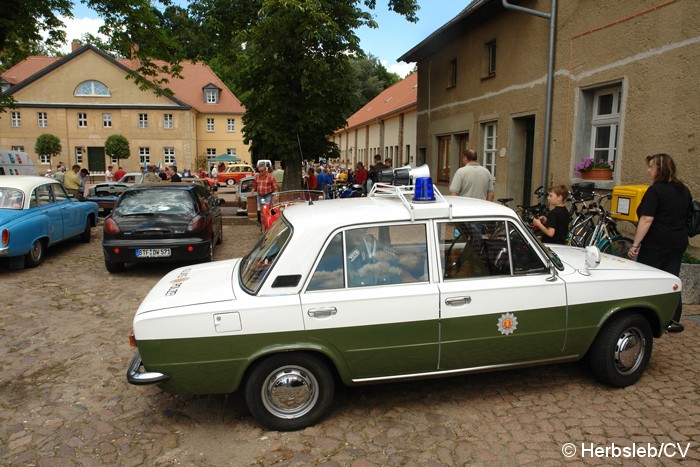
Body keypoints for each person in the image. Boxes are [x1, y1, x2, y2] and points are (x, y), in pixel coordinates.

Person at [628, 153, 691, 333]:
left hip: (655, 243)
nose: (648, 170)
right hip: (677, 242)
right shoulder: (683, 190)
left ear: (660, 169)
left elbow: (647, 219)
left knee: (648, 280)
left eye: (651, 167)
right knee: (672, 280)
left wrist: (635, 244)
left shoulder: (656, 191)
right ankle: (672, 319)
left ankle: (645, 318)